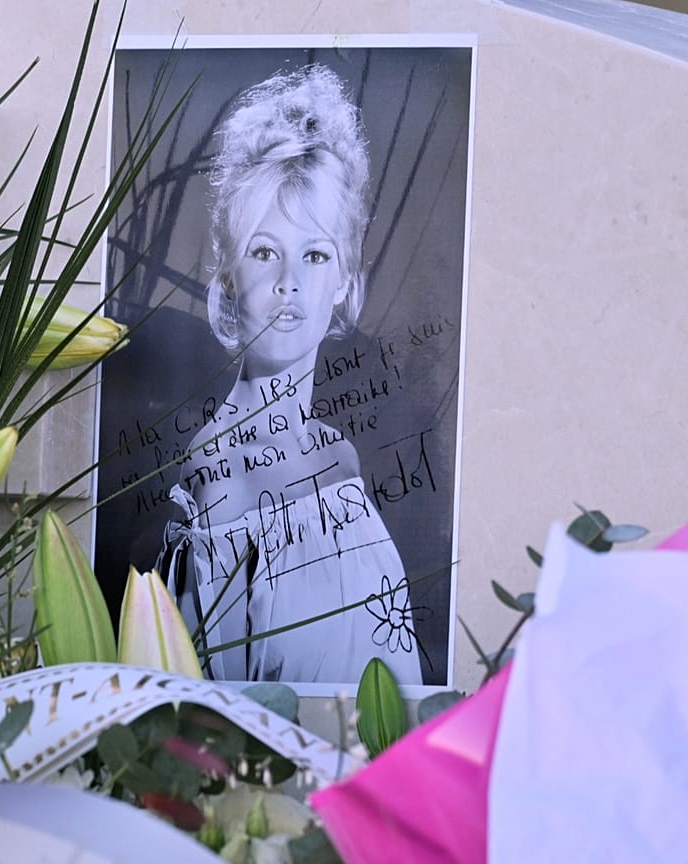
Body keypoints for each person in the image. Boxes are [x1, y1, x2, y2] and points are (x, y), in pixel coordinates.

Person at [160, 66, 424, 685]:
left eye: (314, 254)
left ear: (345, 282)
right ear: (228, 279)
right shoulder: (217, 477)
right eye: (263, 251)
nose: (289, 282)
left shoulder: (340, 456)